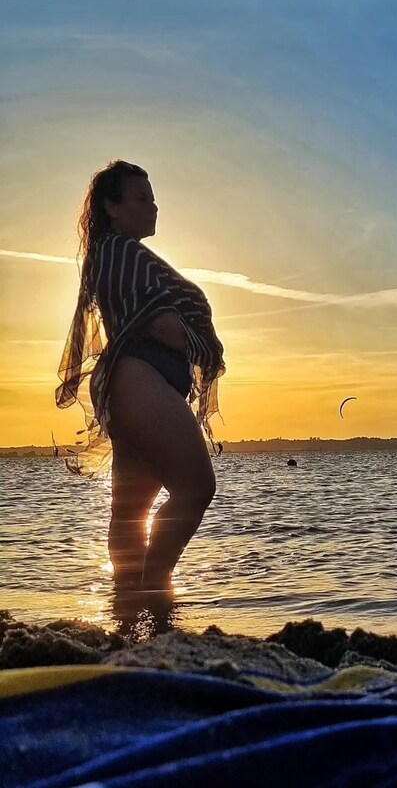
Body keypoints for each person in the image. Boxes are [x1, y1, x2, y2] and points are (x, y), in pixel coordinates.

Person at [55, 160, 225, 595]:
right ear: (112, 206)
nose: (153, 207)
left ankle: (128, 607)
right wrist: (199, 340)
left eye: (153, 199)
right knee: (195, 489)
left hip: (133, 385)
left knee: (131, 511)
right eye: (142, 198)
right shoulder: (120, 252)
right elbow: (161, 324)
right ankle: (156, 591)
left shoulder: (115, 252)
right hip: (139, 379)